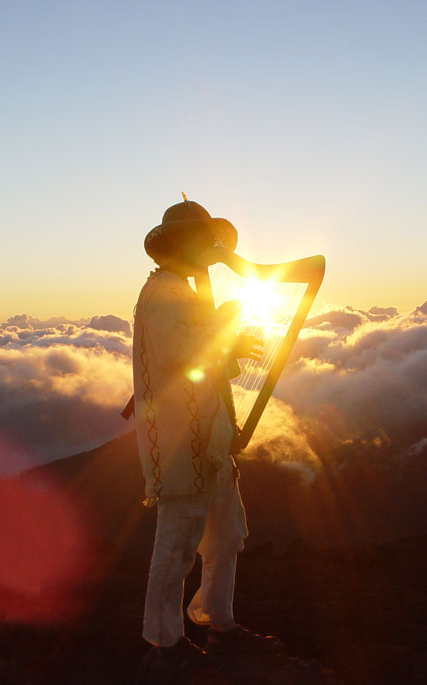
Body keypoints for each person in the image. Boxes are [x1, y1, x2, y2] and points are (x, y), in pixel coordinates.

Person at [133, 197, 284, 663]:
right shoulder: (163, 289)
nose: (210, 251)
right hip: (183, 442)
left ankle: (220, 625)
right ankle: (166, 642)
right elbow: (178, 354)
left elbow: (202, 368)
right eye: (203, 242)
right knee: (176, 544)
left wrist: (230, 348)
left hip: (211, 441)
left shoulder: (185, 291)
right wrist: (223, 331)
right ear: (182, 245)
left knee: (224, 537)